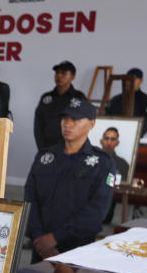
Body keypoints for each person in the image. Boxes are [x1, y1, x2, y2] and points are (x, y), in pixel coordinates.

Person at [24, 97, 115, 262]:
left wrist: (54, 238)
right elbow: (30, 199)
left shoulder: (102, 163)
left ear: (91, 124)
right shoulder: (45, 156)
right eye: (65, 118)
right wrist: (39, 238)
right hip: (40, 246)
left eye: (76, 119)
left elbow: (96, 211)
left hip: (77, 248)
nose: (67, 124)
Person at [33, 60, 87, 150]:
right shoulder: (46, 98)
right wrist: (42, 148)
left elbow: (84, 124)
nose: (59, 76)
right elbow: (38, 125)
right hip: (48, 147)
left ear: (72, 77)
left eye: (64, 73)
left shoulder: (79, 97)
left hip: (71, 149)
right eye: (57, 73)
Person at [105, 67, 147, 136]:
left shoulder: (146, 100)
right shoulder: (116, 99)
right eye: (128, 79)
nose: (130, 82)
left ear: (141, 81)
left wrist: (136, 134)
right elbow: (106, 115)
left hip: (134, 137)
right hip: (113, 136)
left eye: (134, 79)